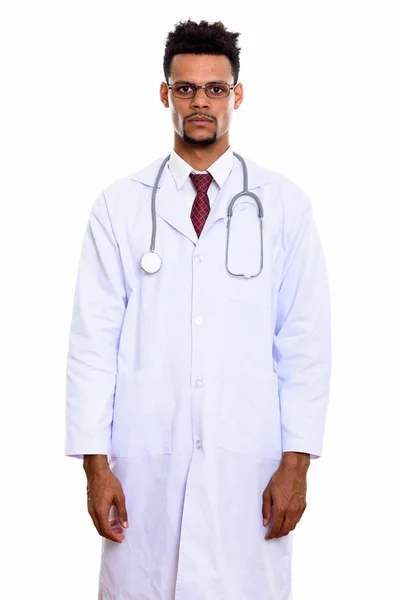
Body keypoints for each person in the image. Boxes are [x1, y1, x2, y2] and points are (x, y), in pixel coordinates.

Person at [65, 18, 331, 600]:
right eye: (186, 88)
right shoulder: (119, 207)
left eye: (215, 88)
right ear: (165, 95)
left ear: (237, 96)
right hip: (145, 469)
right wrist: (95, 465)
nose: (200, 101)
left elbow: (304, 342)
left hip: (248, 468)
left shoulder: (284, 206)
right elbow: (93, 342)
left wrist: (297, 464)